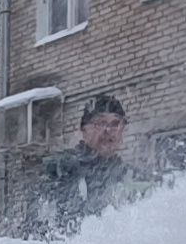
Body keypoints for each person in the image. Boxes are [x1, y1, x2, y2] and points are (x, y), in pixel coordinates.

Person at [37, 93, 154, 233]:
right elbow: (42, 225)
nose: (108, 130)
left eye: (115, 124)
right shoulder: (61, 170)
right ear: (84, 130)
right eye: (100, 123)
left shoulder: (131, 177)